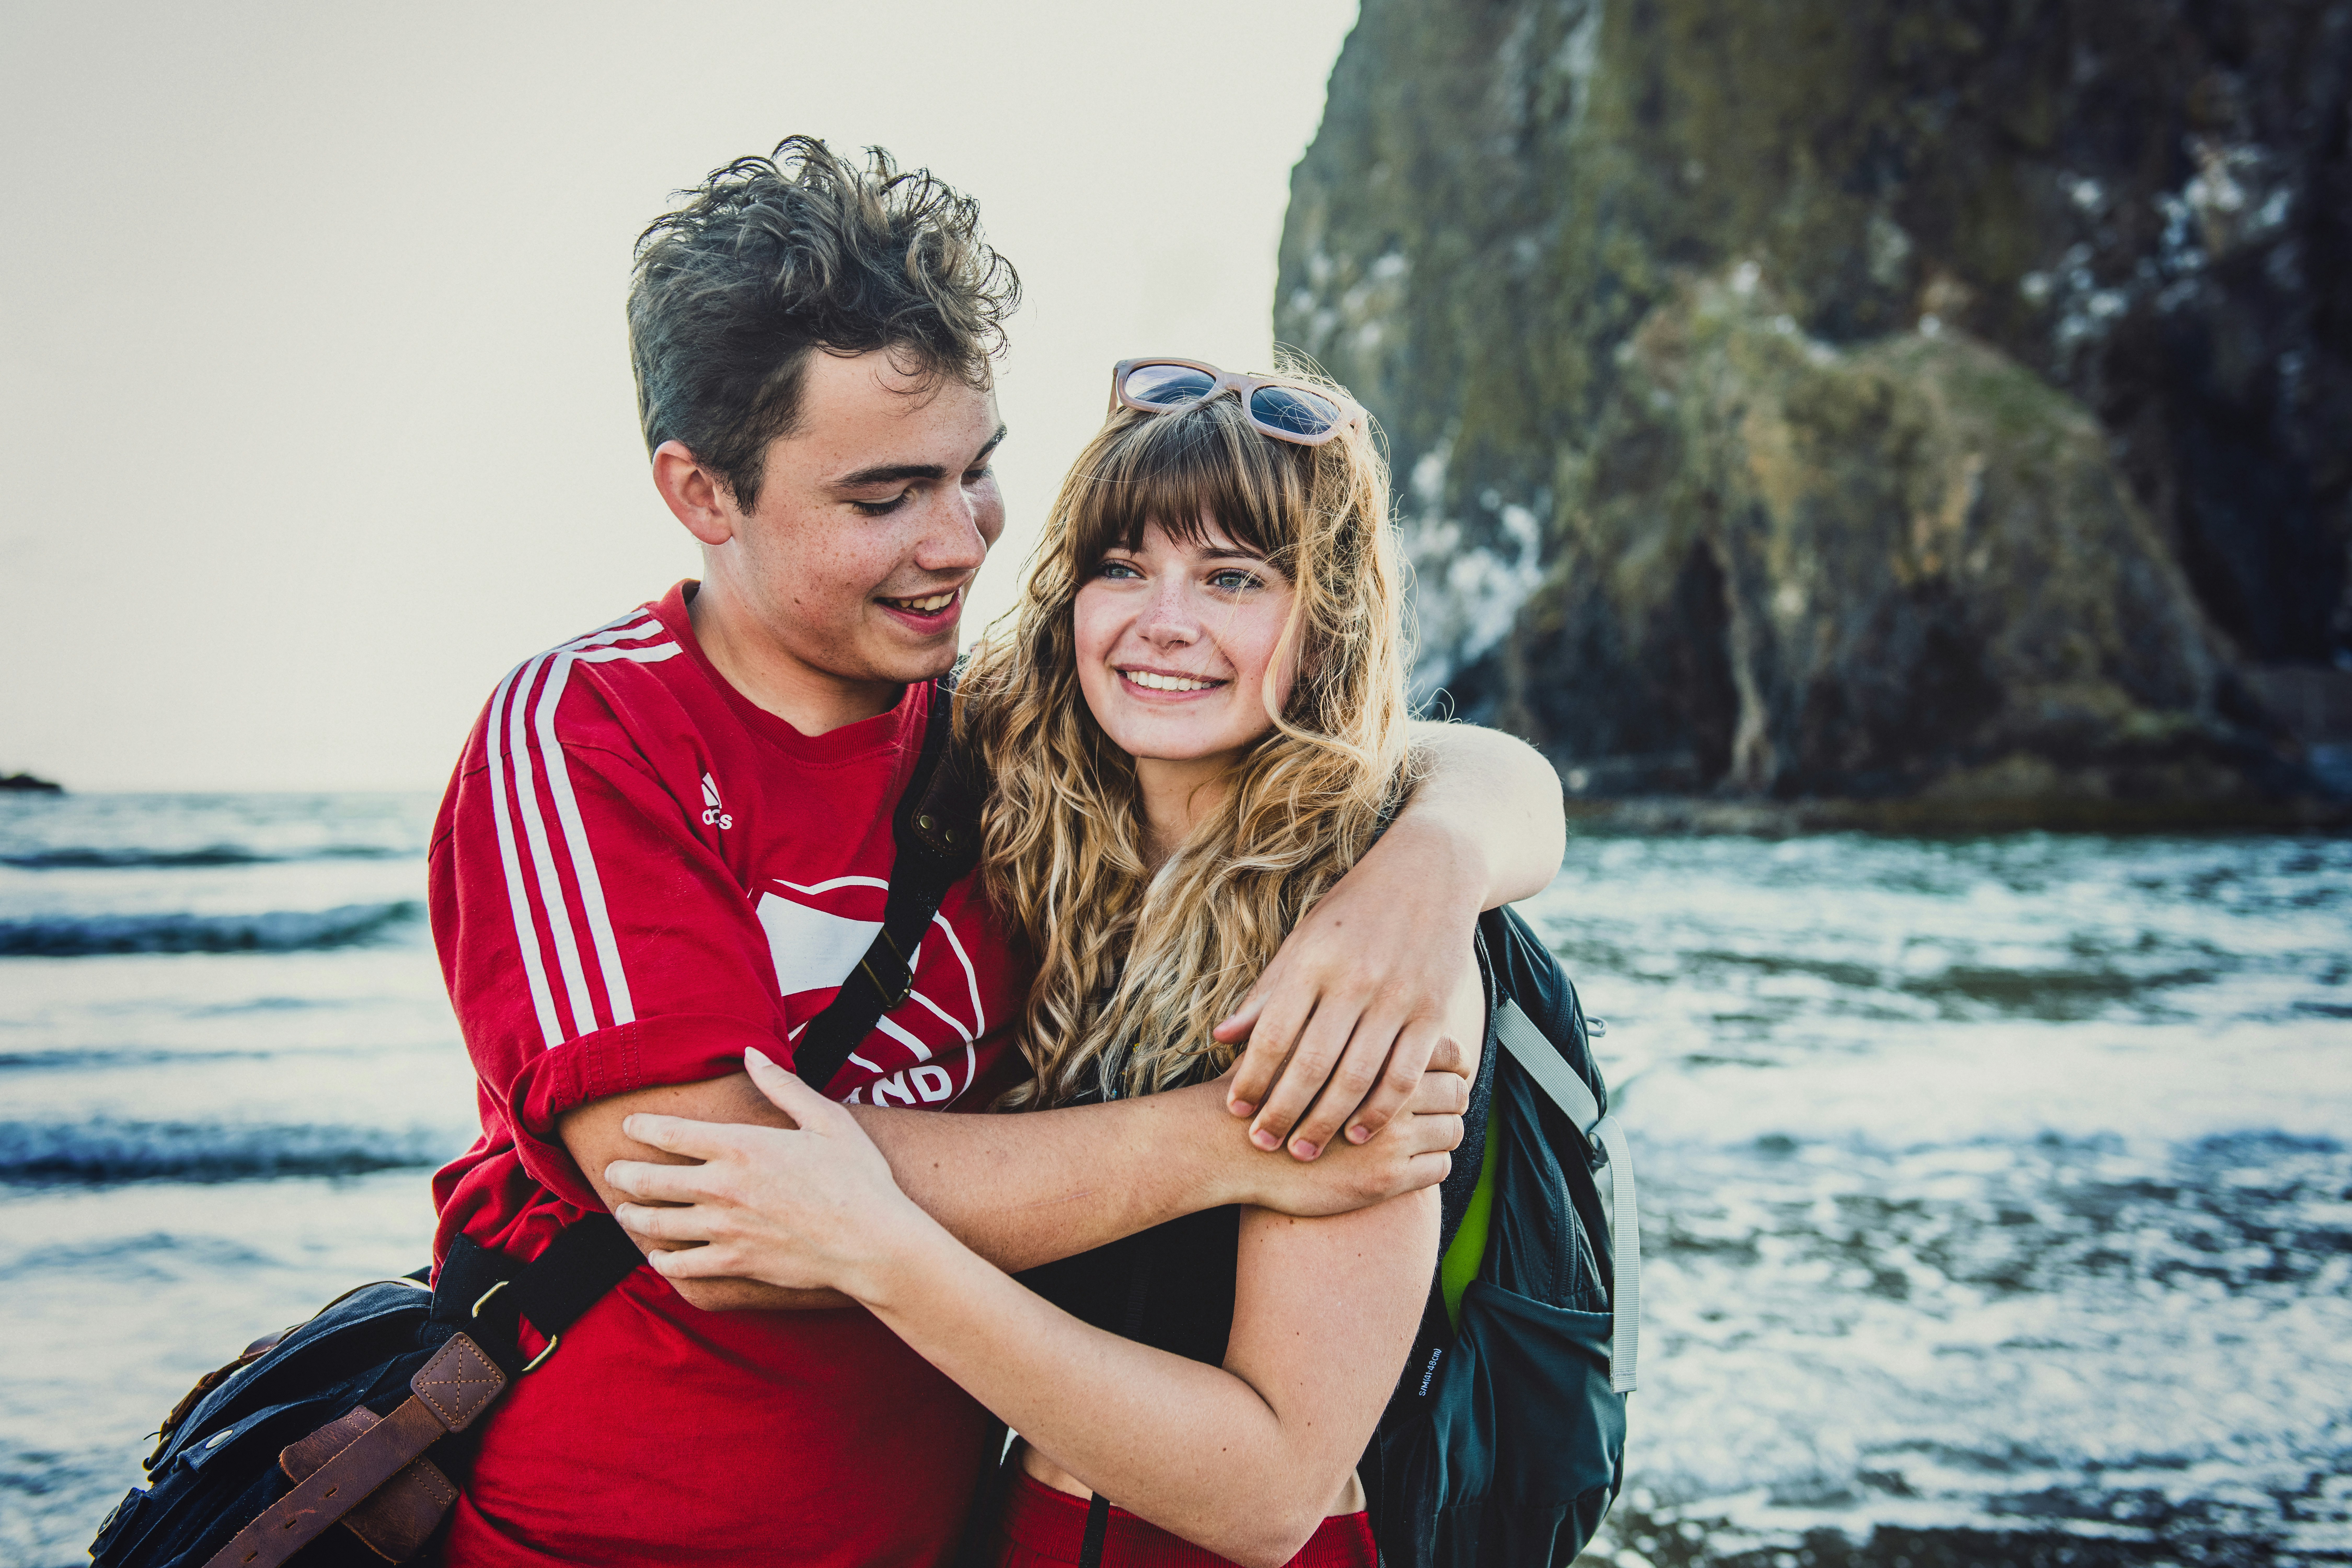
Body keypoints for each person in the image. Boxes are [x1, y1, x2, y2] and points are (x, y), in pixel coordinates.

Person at [428, 139, 1565, 1567]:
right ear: (703, 493)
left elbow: (1439, 770)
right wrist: (1230, 1142)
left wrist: (1435, 864)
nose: (959, 541)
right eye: (883, 495)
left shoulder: (1017, 761)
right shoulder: (606, 732)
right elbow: (717, 1195)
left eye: (978, 475)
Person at [603, 357, 1490, 1568]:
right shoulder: (1037, 838)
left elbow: (1272, 1489)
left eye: (1233, 578)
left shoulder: (1361, 947)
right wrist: (1455, 835)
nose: (1160, 621)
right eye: (1122, 567)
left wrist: (880, 1247)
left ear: (1329, 614)